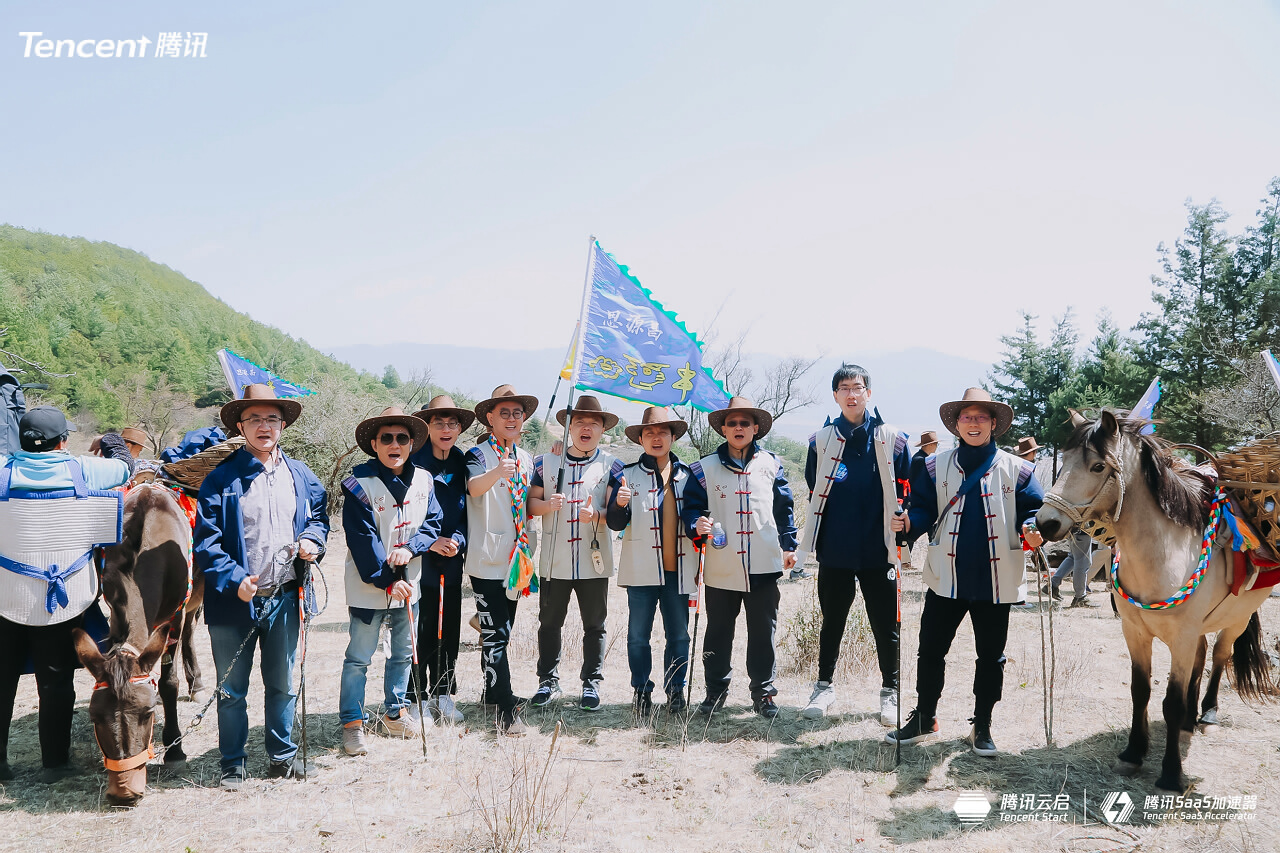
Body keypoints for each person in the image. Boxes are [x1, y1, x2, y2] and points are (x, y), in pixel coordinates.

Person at [886, 387, 1044, 757]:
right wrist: (909, 522)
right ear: (956, 425)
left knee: (991, 657)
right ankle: (925, 716)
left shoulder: (1020, 469)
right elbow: (924, 509)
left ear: (994, 424)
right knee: (930, 651)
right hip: (946, 575)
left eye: (981, 417)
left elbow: (1033, 510)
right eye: (967, 417)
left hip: (996, 579)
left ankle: (982, 724)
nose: (974, 423)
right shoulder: (932, 466)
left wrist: (1033, 527)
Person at [195, 384, 330, 789]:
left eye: (272, 418)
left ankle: (282, 757)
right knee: (232, 689)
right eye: (254, 418)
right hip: (233, 602)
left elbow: (319, 517)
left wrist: (313, 541)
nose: (264, 426)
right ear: (240, 426)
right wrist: (235, 580)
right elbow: (206, 542)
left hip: (286, 597)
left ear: (283, 425)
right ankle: (233, 763)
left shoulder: (301, 475)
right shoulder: (220, 479)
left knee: (283, 684)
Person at [0, 406, 130, 782]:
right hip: (63, 597)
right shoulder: (84, 469)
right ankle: (54, 764)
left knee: (2, 680)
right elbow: (126, 465)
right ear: (64, 442)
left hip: (6, 596)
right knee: (55, 682)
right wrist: (109, 440)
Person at [798, 364, 911, 724]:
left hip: (879, 549)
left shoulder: (893, 439)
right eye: (844, 388)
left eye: (858, 387)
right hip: (836, 548)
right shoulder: (821, 440)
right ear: (835, 395)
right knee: (832, 621)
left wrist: (903, 521)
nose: (851, 394)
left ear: (868, 393)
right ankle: (823, 687)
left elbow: (908, 488)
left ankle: (890, 692)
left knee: (885, 624)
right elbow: (814, 488)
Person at [681, 397, 798, 718]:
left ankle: (764, 694)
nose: (738, 428)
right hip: (722, 563)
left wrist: (789, 545)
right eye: (731, 423)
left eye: (744, 423)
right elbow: (690, 509)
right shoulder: (704, 468)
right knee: (718, 631)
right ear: (723, 428)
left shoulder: (772, 464)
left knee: (763, 631)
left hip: (764, 563)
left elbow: (783, 509)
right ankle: (715, 692)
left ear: (756, 428)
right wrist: (696, 524)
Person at [338, 407, 443, 756]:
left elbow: (432, 525)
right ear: (374, 444)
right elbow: (362, 539)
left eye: (402, 438)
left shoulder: (425, 480)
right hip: (370, 587)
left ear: (411, 443)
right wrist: (386, 580)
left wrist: (411, 549)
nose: (394, 444)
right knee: (359, 658)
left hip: (409, 585)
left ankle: (395, 713)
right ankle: (353, 723)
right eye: (387, 438)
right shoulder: (358, 484)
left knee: (401, 654)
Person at [528, 396, 623, 711]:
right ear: (568, 427)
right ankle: (547, 682)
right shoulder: (547, 462)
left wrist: (595, 515)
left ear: (602, 429)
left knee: (595, 625)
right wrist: (547, 505)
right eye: (579, 421)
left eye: (594, 423)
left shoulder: (612, 465)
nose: (586, 427)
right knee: (549, 623)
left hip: (593, 561)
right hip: (554, 559)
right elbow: (531, 504)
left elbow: (619, 515)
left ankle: (591, 684)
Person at [607, 407, 697, 715]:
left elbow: (699, 514)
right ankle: (641, 691)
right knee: (637, 637)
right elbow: (616, 524)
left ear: (673, 437)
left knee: (679, 636)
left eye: (662, 433)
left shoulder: (688, 475)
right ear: (641, 439)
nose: (656, 438)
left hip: (679, 571)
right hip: (641, 570)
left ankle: (676, 691)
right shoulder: (626, 476)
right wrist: (619, 506)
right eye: (649, 433)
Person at [464, 385, 538, 736]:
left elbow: (526, 505)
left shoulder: (525, 458)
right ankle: (506, 711)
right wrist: (497, 472)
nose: (511, 419)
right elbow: (473, 488)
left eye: (517, 413)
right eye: (504, 413)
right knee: (496, 634)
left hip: (517, 559)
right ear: (490, 418)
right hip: (486, 559)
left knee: (500, 634)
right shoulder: (477, 455)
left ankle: (491, 692)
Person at [408, 395, 474, 724]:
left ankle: (444, 693)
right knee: (423, 624)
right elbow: (408, 514)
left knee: (449, 624)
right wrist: (431, 542)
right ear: (427, 427)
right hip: (421, 554)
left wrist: (458, 540)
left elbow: (468, 510)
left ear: (460, 428)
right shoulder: (414, 461)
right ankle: (415, 697)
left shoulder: (462, 461)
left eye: (452, 424)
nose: (445, 430)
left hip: (453, 555)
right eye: (438, 423)